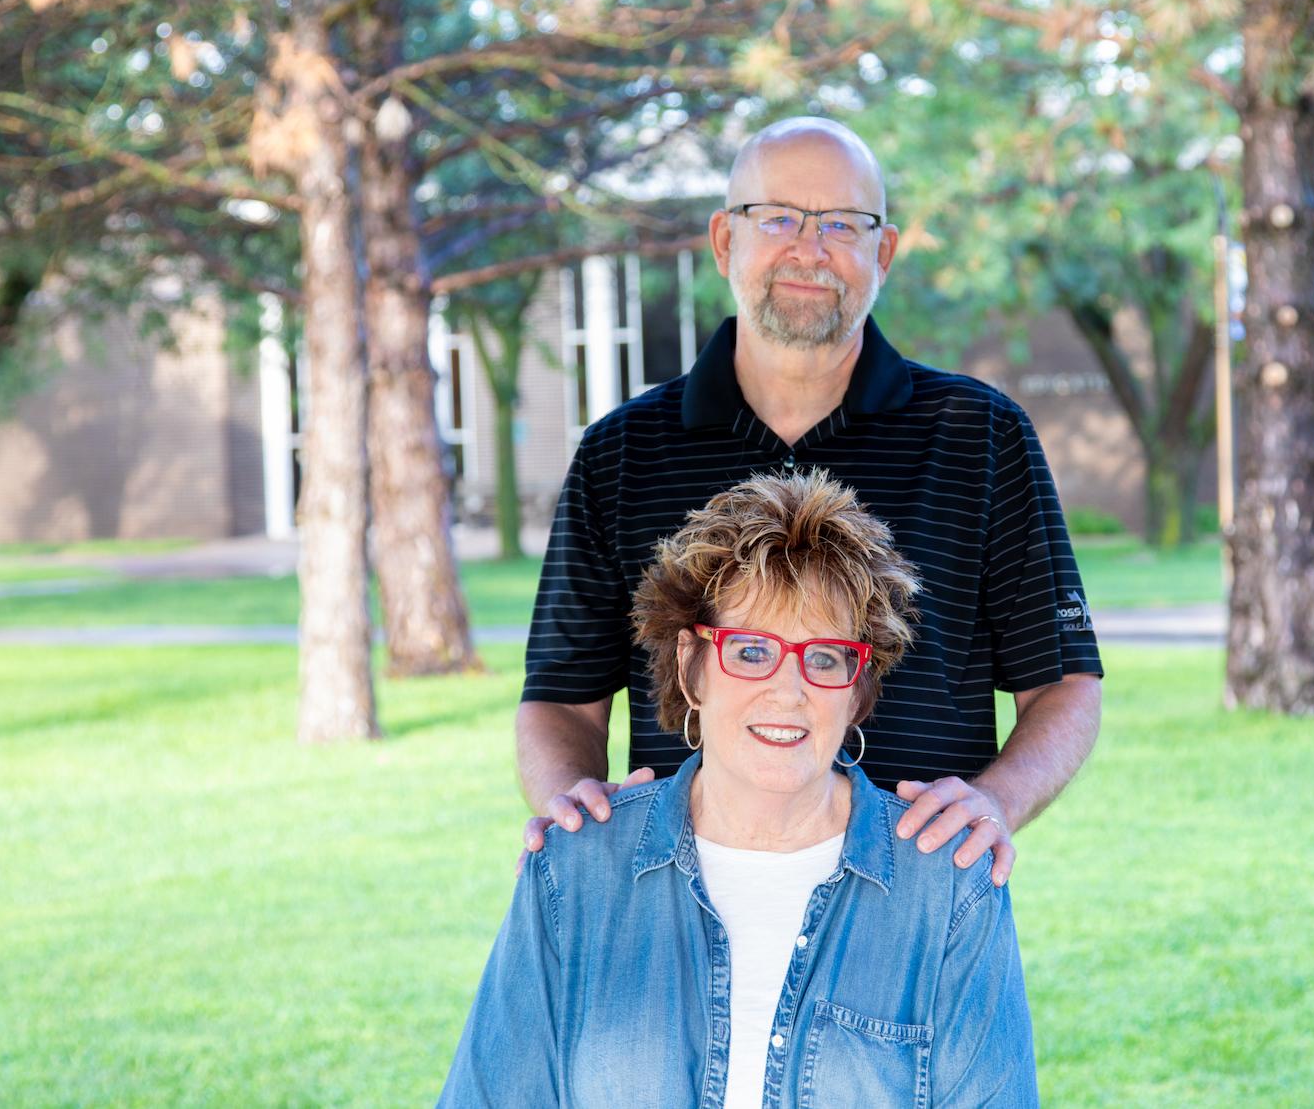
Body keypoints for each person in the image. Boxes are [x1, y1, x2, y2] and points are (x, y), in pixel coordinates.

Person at [517, 116, 1102, 884]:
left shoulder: (981, 436)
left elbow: (1065, 683)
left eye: (842, 223)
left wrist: (996, 800)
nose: (809, 247)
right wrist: (578, 813)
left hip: (914, 895)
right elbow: (561, 700)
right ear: (726, 240)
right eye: (779, 217)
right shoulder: (621, 452)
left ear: (882, 252)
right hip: (675, 899)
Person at [440, 473, 1038, 1108]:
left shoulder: (949, 887)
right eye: (751, 651)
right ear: (690, 667)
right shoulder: (576, 869)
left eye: (825, 656)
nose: (788, 691)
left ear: (859, 689)